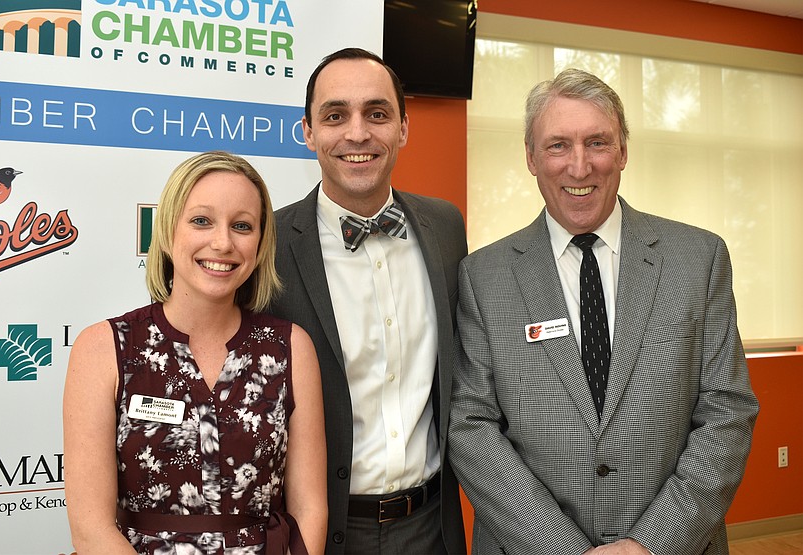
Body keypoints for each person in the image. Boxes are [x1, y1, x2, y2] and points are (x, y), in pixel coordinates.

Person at [448, 68, 759, 555]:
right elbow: (472, 426)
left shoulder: (698, 259)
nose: (579, 167)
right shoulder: (483, 277)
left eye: (597, 142)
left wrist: (649, 544)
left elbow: (727, 410)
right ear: (531, 157)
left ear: (623, 151)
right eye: (558, 145)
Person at [63, 151, 327, 555]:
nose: (222, 243)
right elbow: (90, 528)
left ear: (260, 244)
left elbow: (309, 510)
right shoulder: (102, 349)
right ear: (168, 230)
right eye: (202, 220)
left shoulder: (291, 347)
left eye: (242, 226)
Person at [268, 48, 468, 554]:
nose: (357, 134)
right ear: (308, 132)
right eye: (335, 116)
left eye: (377, 114)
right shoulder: (268, 243)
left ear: (403, 128)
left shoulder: (446, 227)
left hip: (433, 527)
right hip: (321, 531)